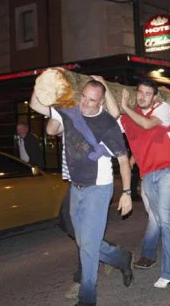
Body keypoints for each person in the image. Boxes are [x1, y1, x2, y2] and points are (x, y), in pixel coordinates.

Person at [30, 77, 134, 306]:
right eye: (84, 97)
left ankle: (87, 299)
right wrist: (42, 81)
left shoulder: (107, 124)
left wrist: (126, 192)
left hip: (98, 188)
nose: (86, 103)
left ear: (101, 102)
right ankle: (121, 258)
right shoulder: (70, 112)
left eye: (92, 100)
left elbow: (124, 160)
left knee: (87, 248)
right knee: (84, 242)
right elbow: (36, 106)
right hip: (76, 188)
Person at [109, 80, 170, 289]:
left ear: (154, 97)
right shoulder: (128, 118)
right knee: (167, 219)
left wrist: (127, 107)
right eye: (140, 92)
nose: (143, 96)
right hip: (148, 173)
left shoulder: (162, 108)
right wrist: (104, 85)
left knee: (165, 218)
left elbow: (147, 124)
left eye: (148, 93)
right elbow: (113, 113)